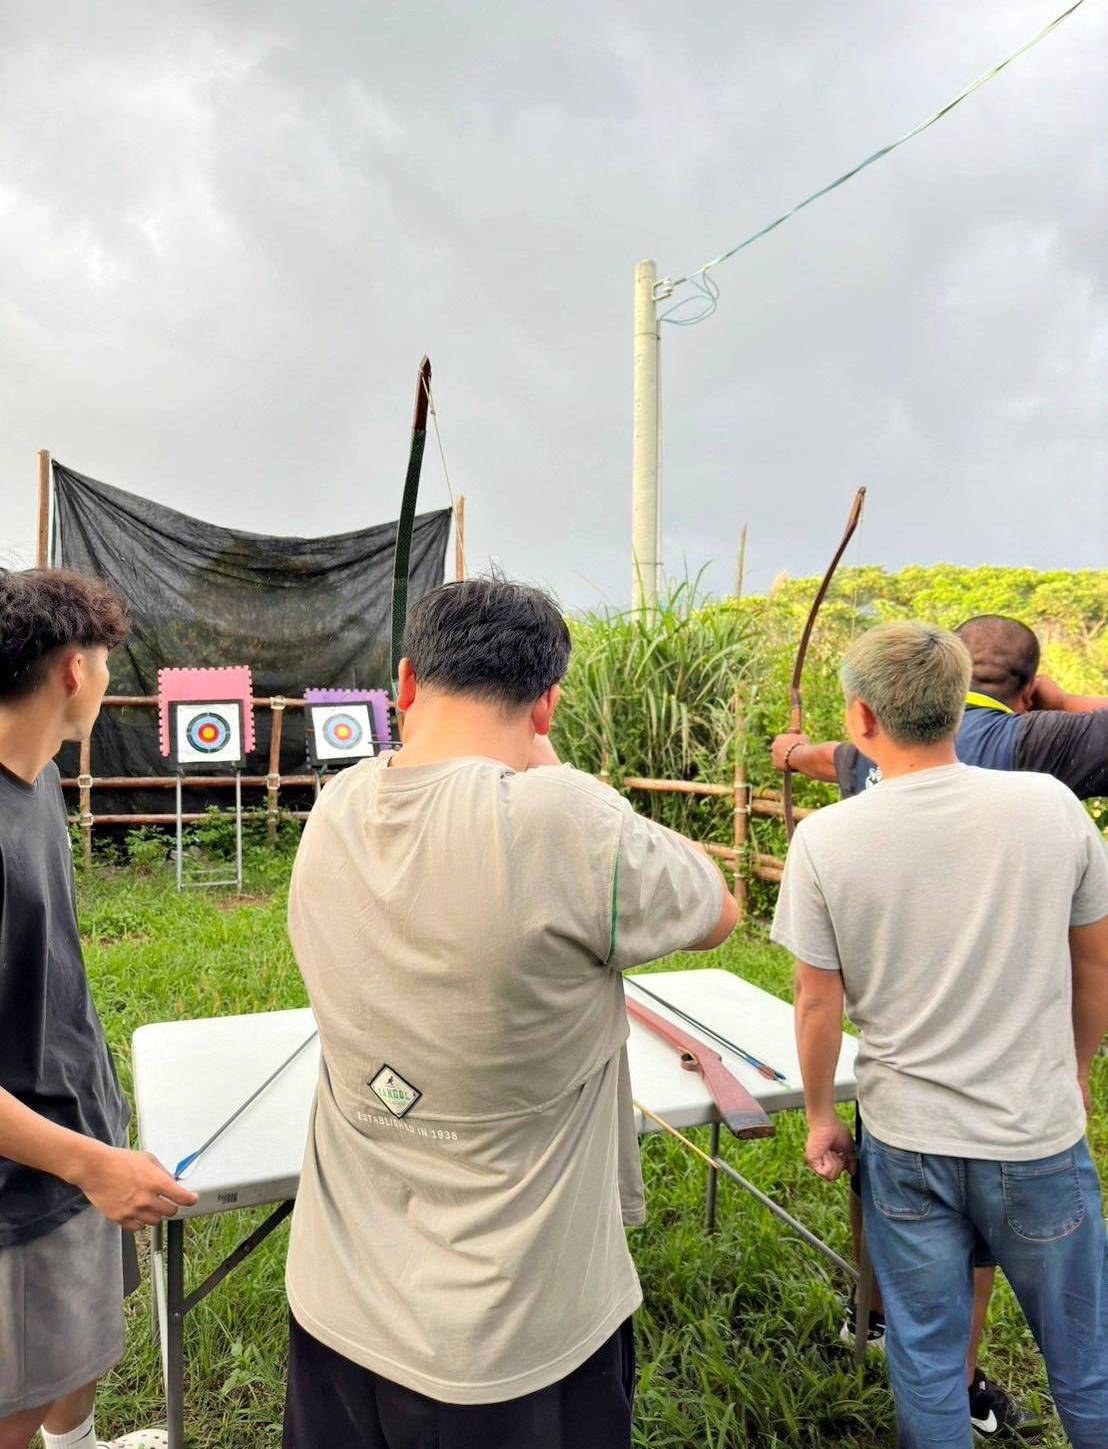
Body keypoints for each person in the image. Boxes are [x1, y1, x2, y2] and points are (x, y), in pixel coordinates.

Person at [281, 577, 737, 1449]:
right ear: (546, 704)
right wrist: (561, 775)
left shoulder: (335, 805)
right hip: (513, 1340)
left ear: (406, 682)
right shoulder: (564, 816)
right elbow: (718, 906)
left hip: (336, 1308)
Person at [771, 612, 1108, 1439]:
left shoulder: (826, 838)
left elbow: (817, 1001)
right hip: (1035, 1132)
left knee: (924, 1352)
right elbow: (1095, 962)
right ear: (960, 706)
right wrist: (1076, 1069)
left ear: (861, 716)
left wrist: (820, 1115)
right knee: (1086, 1352)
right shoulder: (1051, 805)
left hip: (908, 1139)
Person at [0, 569, 197, 1449]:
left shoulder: (37, 774)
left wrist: (96, 1143)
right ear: (73, 670)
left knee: (74, 1346)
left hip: (78, 1122)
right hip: (22, 1176)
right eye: (107, 662)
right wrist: (91, 1165)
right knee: (13, 1395)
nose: (111, 678)